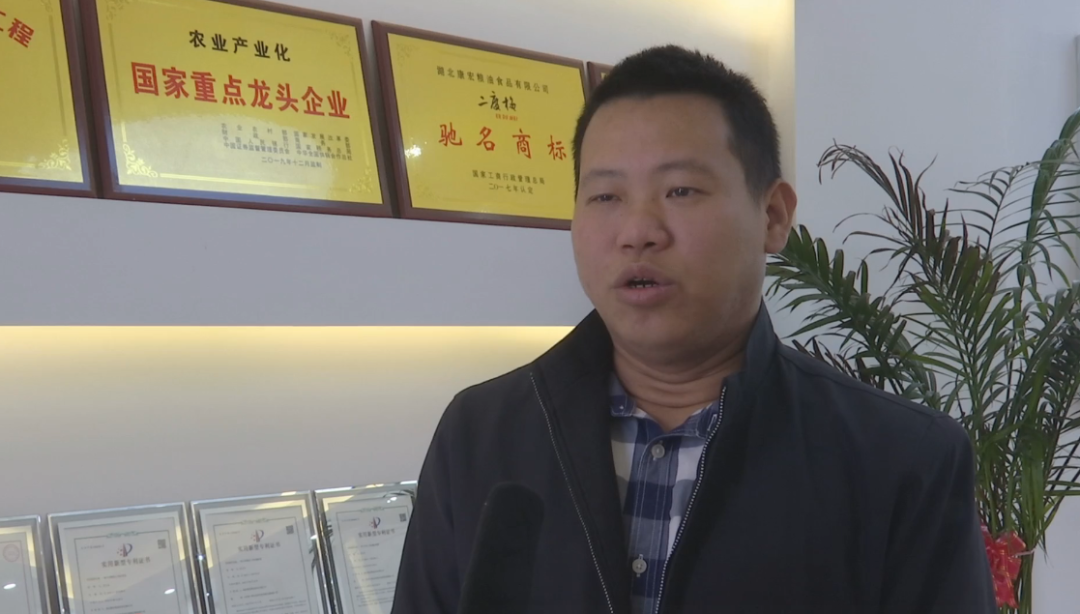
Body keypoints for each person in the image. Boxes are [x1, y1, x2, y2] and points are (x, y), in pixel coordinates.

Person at [391, 45, 995, 614]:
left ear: (773, 215)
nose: (638, 232)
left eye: (680, 190)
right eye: (605, 197)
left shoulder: (904, 459)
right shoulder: (479, 434)